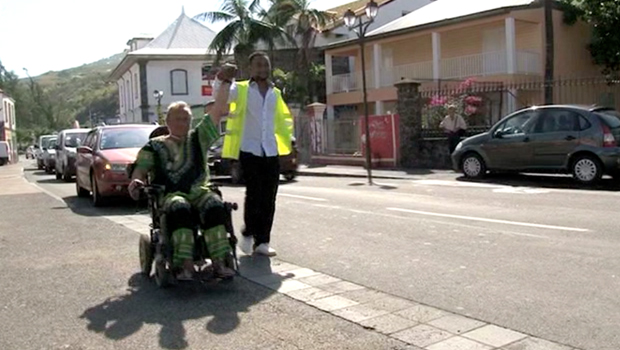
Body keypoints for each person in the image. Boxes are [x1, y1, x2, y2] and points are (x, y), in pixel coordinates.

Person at [128, 101, 235, 280]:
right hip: (170, 194)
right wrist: (136, 181)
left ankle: (219, 262)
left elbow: (216, 113)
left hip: (199, 191)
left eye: (186, 119)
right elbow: (141, 167)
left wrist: (224, 82)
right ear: (168, 121)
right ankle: (184, 265)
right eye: (178, 119)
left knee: (215, 204)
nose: (182, 123)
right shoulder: (154, 145)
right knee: (179, 207)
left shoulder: (197, 138)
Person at [212, 51, 294, 257]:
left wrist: (289, 144)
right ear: (251, 68)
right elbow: (219, 95)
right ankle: (248, 233)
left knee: (270, 198)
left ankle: (263, 241)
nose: (262, 69)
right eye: (258, 65)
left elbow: (282, 121)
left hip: (271, 150)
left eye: (265, 65)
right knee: (255, 194)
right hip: (249, 150)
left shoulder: (276, 93)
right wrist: (222, 77)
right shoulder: (240, 89)